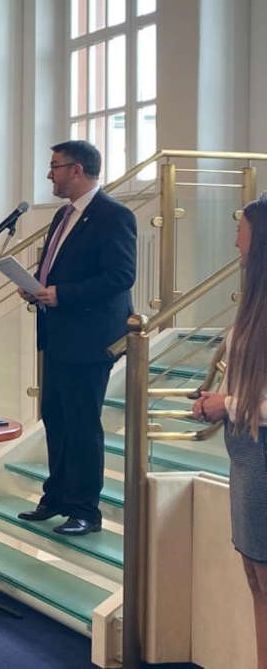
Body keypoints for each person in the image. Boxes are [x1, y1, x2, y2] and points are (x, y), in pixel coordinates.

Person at [17, 140, 136, 536]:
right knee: (56, 417)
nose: (49, 173)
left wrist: (62, 294)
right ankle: (57, 497)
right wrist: (37, 287)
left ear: (78, 170)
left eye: (55, 166)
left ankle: (86, 510)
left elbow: (120, 277)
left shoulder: (113, 216)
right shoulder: (62, 216)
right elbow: (59, 267)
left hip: (89, 338)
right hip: (57, 333)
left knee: (83, 424)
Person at [191, 194, 267, 668]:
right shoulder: (254, 304)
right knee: (256, 580)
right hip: (246, 454)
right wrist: (213, 399)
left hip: (261, 454)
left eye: (241, 229)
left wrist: (229, 403)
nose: (235, 238)